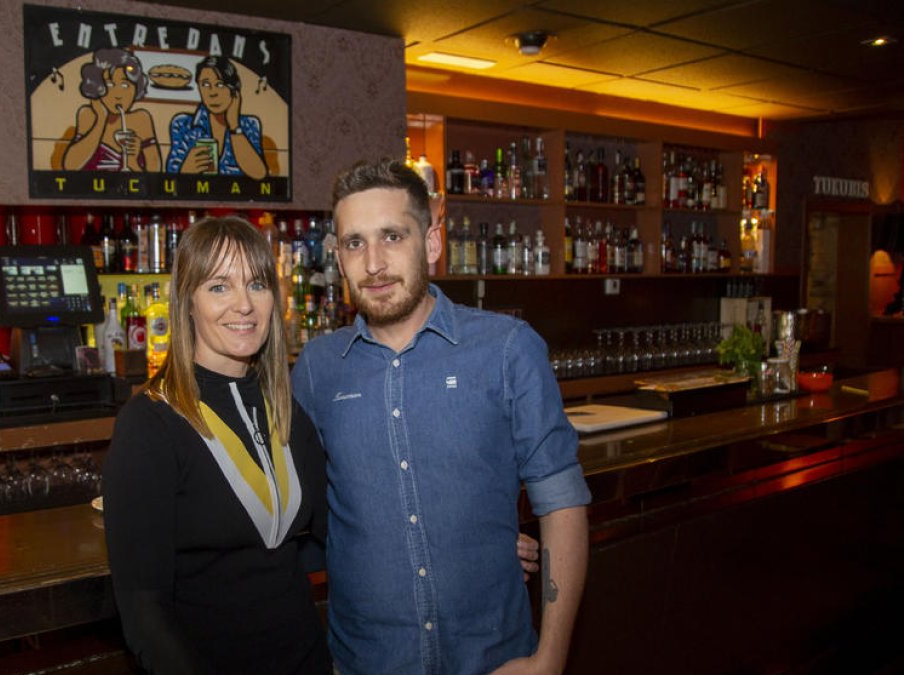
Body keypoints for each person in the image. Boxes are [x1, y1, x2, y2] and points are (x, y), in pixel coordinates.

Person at [292, 158, 591, 675]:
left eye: (392, 236)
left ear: (431, 242)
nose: (375, 263)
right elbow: (300, 515)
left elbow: (561, 505)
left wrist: (550, 660)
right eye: (355, 243)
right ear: (338, 259)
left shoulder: (506, 350)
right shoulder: (318, 370)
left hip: (494, 661)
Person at [102, 216, 329, 674]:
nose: (244, 305)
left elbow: (339, 537)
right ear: (187, 302)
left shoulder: (287, 411)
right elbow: (143, 613)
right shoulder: (150, 424)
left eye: (257, 284)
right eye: (219, 286)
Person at [166, 55, 268, 179]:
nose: (212, 93)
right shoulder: (182, 124)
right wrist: (187, 169)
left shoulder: (249, 125)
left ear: (234, 89)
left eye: (220, 85)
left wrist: (234, 127)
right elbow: (169, 182)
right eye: (205, 84)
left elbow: (259, 174)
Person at [62, 47, 162, 172]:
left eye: (125, 85)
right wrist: (100, 120)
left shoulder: (142, 118)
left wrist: (132, 162)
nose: (118, 94)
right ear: (97, 86)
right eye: (109, 84)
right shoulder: (88, 115)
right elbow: (70, 166)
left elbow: (156, 177)